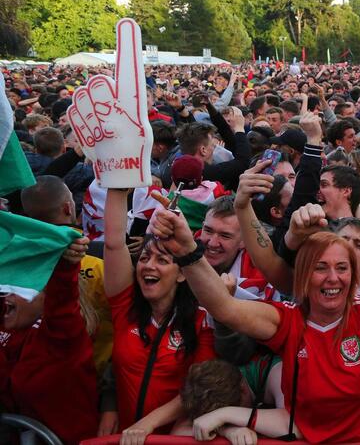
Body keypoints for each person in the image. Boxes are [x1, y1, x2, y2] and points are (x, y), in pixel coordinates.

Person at [145, 169, 360, 442]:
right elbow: (223, 307)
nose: (333, 278)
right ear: (302, 278)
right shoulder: (286, 323)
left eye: (342, 268)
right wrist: (187, 251)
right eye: (321, 268)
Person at [103, 189, 215, 443]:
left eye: (162, 260)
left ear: (182, 274)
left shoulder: (201, 322)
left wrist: (148, 424)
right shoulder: (125, 307)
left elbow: (197, 388)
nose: (149, 266)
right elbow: (113, 243)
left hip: (171, 439)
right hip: (122, 437)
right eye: (144, 257)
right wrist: (118, 186)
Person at [1, 236, 98, 445]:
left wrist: (65, 264)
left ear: (47, 296)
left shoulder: (63, 337)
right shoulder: (12, 324)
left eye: (17, 289)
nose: (6, 296)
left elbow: (62, 296)